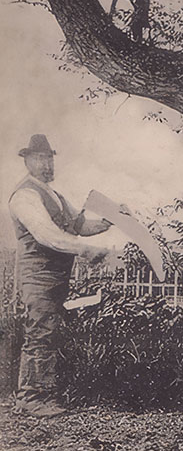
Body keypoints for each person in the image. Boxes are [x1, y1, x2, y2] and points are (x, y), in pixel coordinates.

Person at [8, 134, 114, 417]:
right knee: (39, 333)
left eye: (49, 158)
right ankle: (31, 398)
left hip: (54, 277)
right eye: (40, 159)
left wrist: (110, 220)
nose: (47, 165)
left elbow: (78, 225)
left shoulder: (54, 195)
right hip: (36, 277)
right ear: (27, 161)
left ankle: (43, 395)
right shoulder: (25, 196)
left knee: (48, 333)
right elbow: (49, 236)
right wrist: (85, 250)